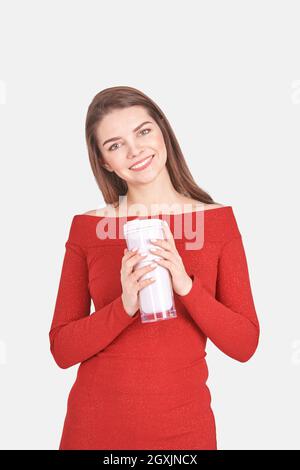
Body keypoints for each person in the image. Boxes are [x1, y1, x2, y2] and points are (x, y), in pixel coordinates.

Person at [49, 86, 260, 450]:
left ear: (162, 131)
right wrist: (124, 306)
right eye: (115, 145)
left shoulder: (217, 222)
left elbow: (244, 344)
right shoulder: (87, 228)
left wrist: (186, 287)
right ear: (104, 162)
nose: (135, 151)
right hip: (94, 430)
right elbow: (62, 349)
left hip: (183, 432)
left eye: (143, 131)